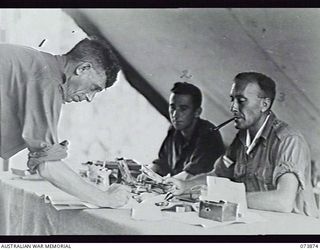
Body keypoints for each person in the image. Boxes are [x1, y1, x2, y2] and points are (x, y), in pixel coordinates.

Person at [0, 37, 131, 208]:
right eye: (94, 88)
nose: (89, 98)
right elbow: (48, 167)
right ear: (83, 68)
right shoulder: (46, 79)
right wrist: (107, 199)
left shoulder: (34, 63)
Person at [165, 72, 318, 217]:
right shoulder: (242, 139)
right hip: (260, 222)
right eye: (232, 100)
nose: (233, 108)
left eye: (241, 101)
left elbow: (282, 201)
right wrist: (184, 185)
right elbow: (218, 174)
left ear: (264, 104)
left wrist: (222, 195)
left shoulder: (288, 140)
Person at [138, 82, 225, 181]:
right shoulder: (174, 130)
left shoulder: (209, 135)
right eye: (173, 107)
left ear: (197, 112)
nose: (175, 114)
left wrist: (165, 183)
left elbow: (189, 175)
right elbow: (162, 162)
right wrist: (150, 170)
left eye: (183, 109)